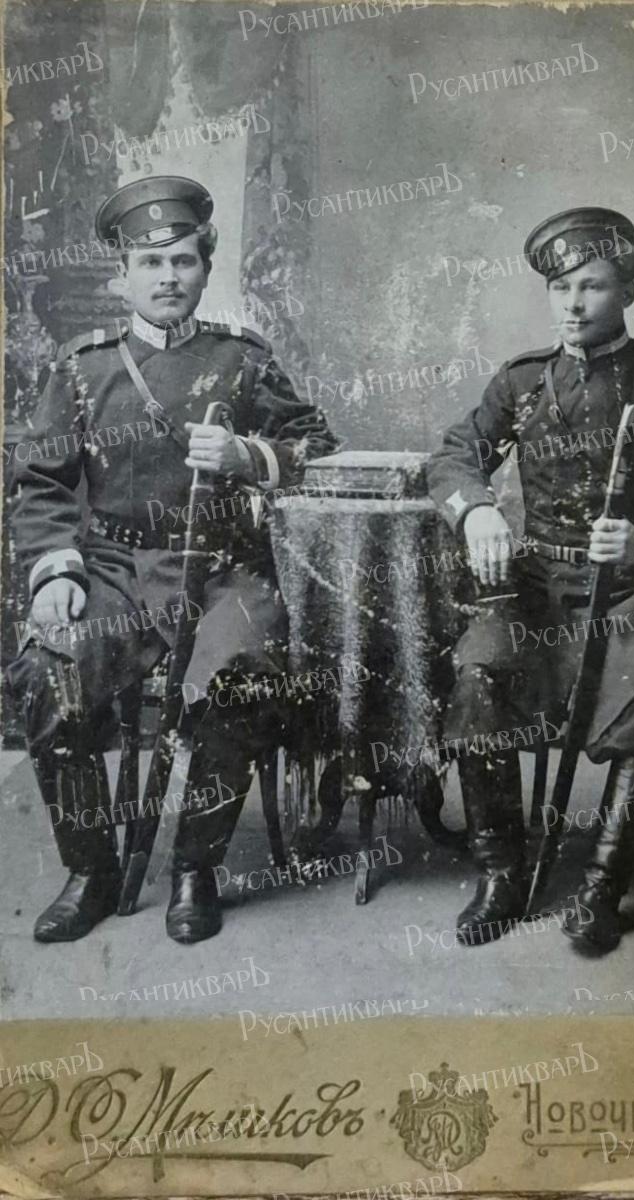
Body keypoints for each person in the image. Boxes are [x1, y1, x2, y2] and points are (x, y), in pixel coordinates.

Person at [7, 175, 337, 945]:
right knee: (47, 675)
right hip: (113, 571)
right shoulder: (83, 368)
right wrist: (56, 570)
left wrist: (249, 455)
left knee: (242, 673)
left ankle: (196, 867)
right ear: (121, 277)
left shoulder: (242, 359)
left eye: (182, 261)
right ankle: (89, 871)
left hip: (222, 569)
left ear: (203, 268)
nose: (167, 278)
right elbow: (41, 484)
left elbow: (317, 445)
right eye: (150, 264)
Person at [427, 206, 634, 953]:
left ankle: (603, 884)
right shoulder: (523, 382)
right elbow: (453, 456)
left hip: (633, 588)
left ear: (625, 291)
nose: (572, 304)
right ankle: (501, 873)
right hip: (536, 585)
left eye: (591, 286)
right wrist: (476, 511)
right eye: (560, 287)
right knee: (478, 673)